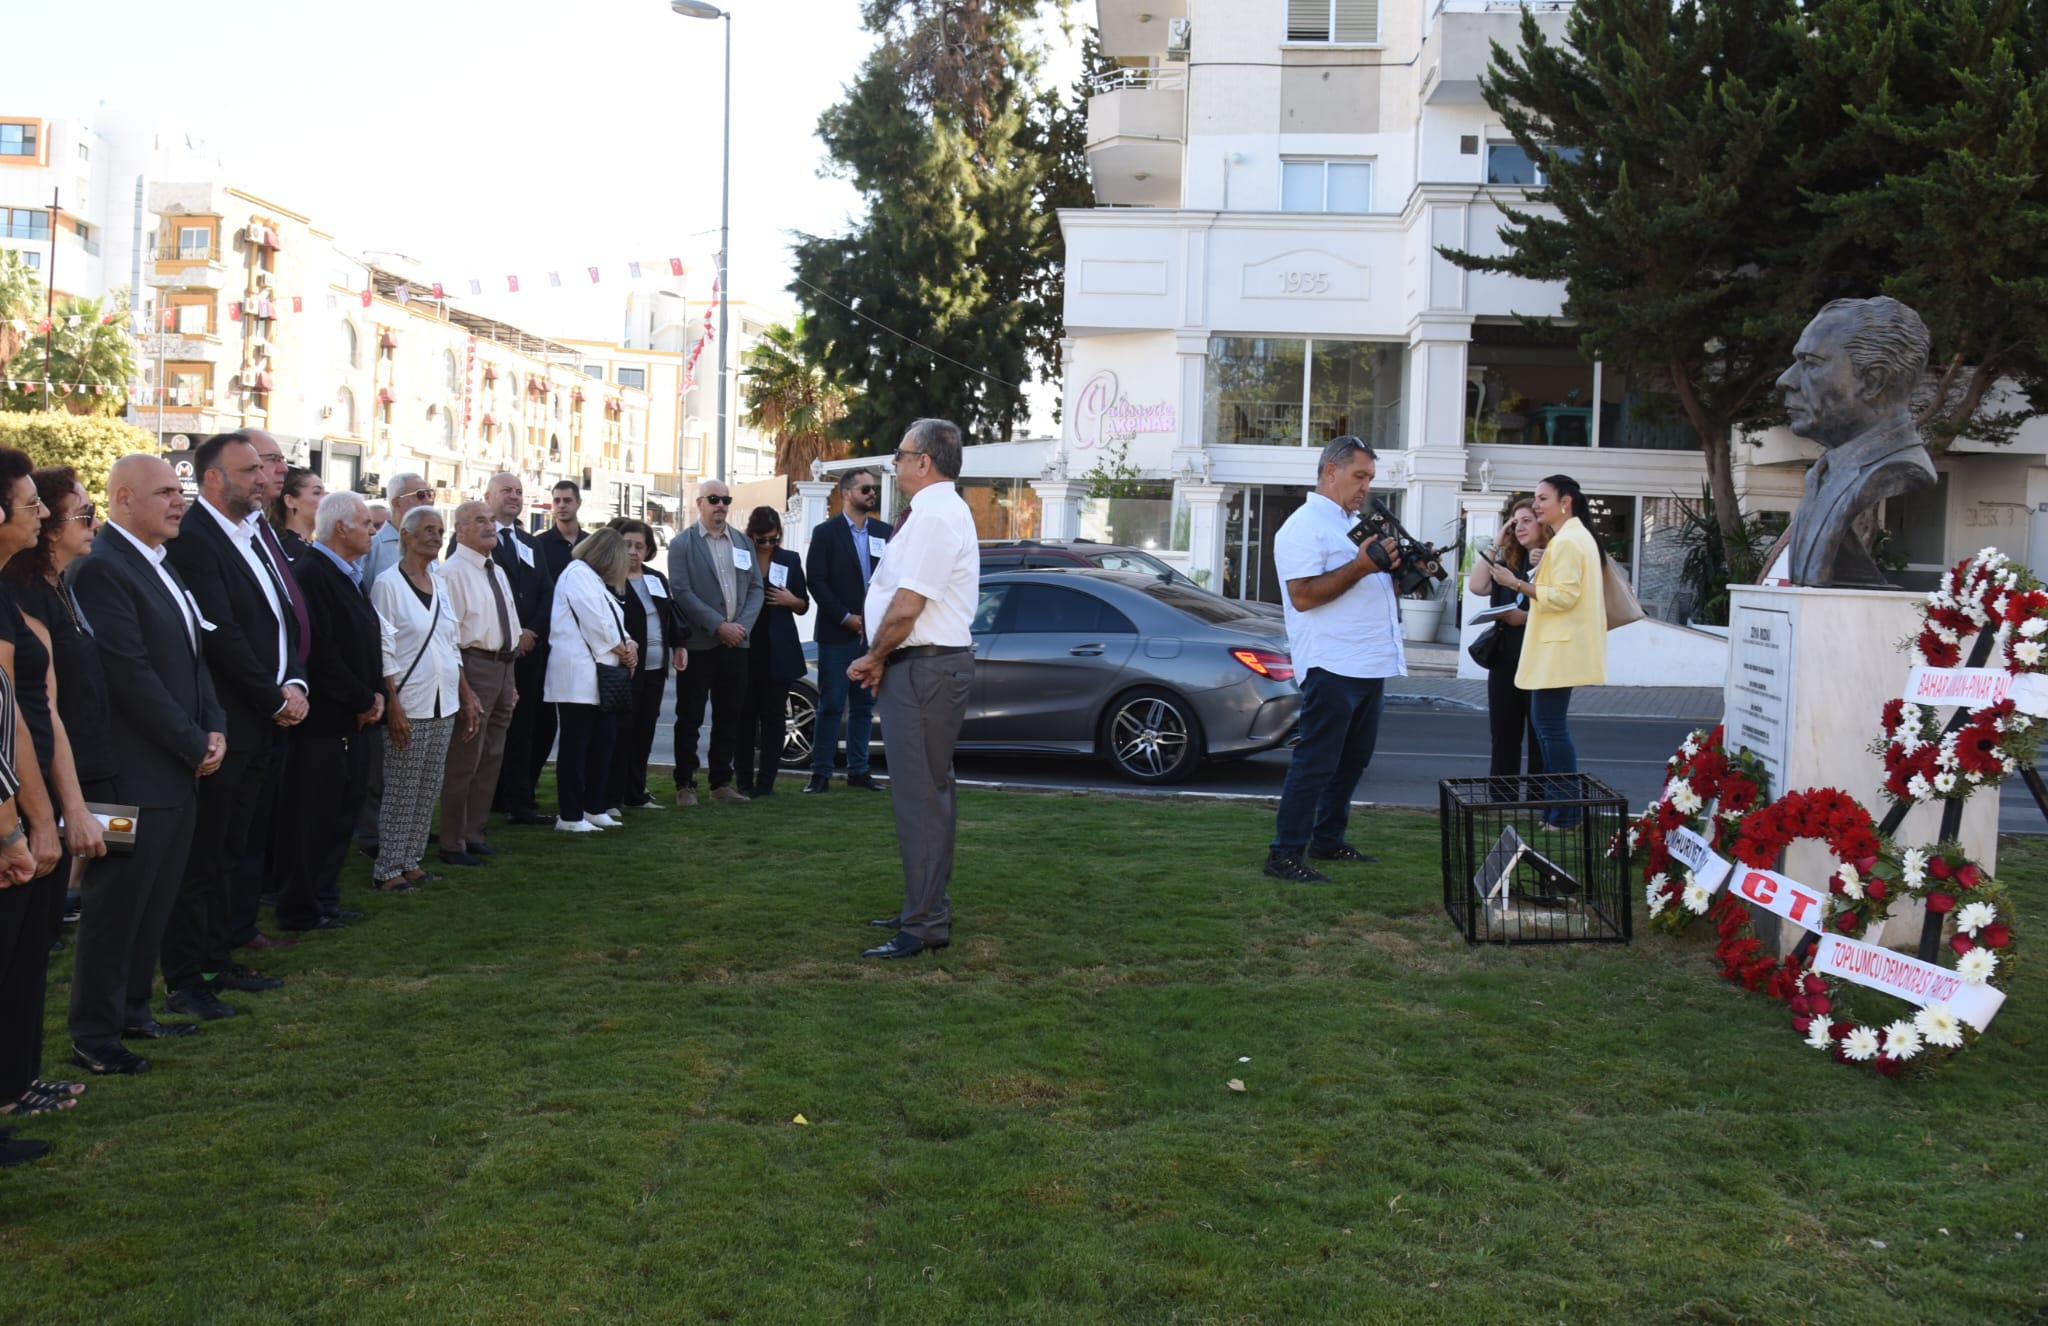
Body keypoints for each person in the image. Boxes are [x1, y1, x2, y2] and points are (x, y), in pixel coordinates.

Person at [68, 455, 226, 1076]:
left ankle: (135, 1011)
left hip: (176, 773)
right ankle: (95, 1034)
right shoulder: (102, 569)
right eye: (163, 492)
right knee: (113, 906)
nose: (177, 501)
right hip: (123, 779)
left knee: (154, 901)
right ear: (124, 500)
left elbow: (194, 658)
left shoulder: (161, 566)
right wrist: (193, 741)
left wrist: (212, 728)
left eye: (178, 491)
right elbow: (126, 673)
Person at [160, 432, 307, 1021]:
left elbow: (284, 618)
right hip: (229, 719)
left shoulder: (253, 536)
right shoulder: (197, 539)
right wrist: (272, 695)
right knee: (205, 855)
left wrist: (295, 681)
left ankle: (219, 957)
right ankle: (187, 975)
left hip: (266, 715)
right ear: (214, 479)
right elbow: (221, 634)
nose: (263, 479)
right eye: (250, 470)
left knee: (234, 848)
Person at [852, 420, 979, 960]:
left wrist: (874, 656)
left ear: (924, 460)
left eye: (900, 456)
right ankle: (922, 907)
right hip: (921, 666)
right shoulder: (934, 512)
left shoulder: (936, 515)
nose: (894, 465)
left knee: (921, 801)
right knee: (928, 796)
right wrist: (885, 657)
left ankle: (924, 922)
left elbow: (908, 605)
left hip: (924, 669)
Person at [1263, 436, 1406, 884]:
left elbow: (1371, 588)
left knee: (1353, 760)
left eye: (1370, 478)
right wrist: (1364, 566)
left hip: (1368, 661)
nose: (1365, 487)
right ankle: (1284, 855)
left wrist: (1403, 572)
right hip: (1332, 662)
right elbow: (1303, 596)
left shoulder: (1354, 524)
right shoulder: (1304, 526)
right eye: (1359, 476)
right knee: (1316, 762)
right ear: (1330, 472)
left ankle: (1327, 838)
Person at [0, 449, 86, 1120]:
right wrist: (23, 822)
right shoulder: (16, 595)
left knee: (30, 955)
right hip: (14, 806)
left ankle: (16, 1084)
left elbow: (34, 713)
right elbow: (15, 718)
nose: (39, 516)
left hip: (33, 795)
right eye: (30, 506)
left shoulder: (11, 591)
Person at [7, 469, 112, 950]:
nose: (93, 523)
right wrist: (48, 817)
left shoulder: (60, 585)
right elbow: (29, 711)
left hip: (75, 769)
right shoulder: (23, 593)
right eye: (85, 513)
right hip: (35, 789)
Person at [1771, 296, 1938, 587]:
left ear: (1873, 381)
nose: (1786, 380)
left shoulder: (1898, 469)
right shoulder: (1822, 474)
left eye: (1811, 363)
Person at [276, 492, 385, 931]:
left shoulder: (348, 574)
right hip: (324, 725)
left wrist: (375, 695)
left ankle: (324, 898)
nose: (372, 531)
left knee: (340, 817)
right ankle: (301, 908)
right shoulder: (312, 573)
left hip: (355, 720)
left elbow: (364, 642)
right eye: (365, 523)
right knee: (312, 822)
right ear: (341, 528)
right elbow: (320, 652)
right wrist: (362, 698)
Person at [1486, 473, 1608, 828]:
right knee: (1547, 729)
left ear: (1565, 501)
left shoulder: (1570, 540)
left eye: (1542, 499)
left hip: (1558, 651)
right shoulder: (1570, 538)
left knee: (1551, 731)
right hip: (1557, 650)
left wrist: (1517, 583)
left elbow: (1565, 596)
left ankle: (1565, 813)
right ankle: (1557, 811)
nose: (1536, 505)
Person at [371, 506, 465, 890]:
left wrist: (466, 692)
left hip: (444, 700)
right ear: (405, 536)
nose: (435, 536)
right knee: (401, 787)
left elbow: (451, 642)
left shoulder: (440, 583)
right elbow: (384, 647)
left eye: (440, 530)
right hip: (409, 700)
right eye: (427, 529)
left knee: (428, 785)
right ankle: (387, 869)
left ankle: (411, 861)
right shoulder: (387, 584)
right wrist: (392, 700)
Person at [354, 472, 435, 862]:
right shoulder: (376, 551)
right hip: (393, 680)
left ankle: (409, 856)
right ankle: (380, 847)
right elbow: (377, 625)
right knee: (387, 774)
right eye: (421, 494)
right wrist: (388, 693)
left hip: (432, 688)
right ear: (398, 503)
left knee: (421, 781)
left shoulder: (434, 567)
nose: (428, 497)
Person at [666, 480, 763, 805]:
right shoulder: (682, 544)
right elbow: (681, 592)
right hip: (699, 643)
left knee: (729, 715)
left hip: (737, 644)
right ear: (700, 503)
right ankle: (685, 784)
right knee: (690, 716)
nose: (720, 504)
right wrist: (718, 625)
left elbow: (756, 589)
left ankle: (721, 782)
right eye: (714, 499)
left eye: (725, 499)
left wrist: (740, 628)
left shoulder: (742, 543)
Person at [439, 501, 521, 868]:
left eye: (491, 520)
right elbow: (449, 638)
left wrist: (511, 680)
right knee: (464, 759)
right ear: (460, 529)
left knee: (491, 758)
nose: (490, 526)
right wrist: (464, 690)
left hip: (503, 668)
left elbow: (509, 630)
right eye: (479, 521)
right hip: (473, 667)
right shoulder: (452, 573)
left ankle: (475, 834)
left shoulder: (497, 570)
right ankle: (452, 842)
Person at [803, 469, 891, 794]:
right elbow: (817, 581)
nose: (872, 493)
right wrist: (845, 617)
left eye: (873, 488)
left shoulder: (885, 531)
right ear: (846, 493)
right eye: (865, 488)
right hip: (837, 633)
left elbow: (892, 578)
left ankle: (859, 770)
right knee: (830, 704)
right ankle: (820, 773)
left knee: (864, 707)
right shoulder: (825, 533)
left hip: (873, 636)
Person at [545, 527, 635, 832]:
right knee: (577, 747)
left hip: (598, 676)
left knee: (602, 743)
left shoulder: (591, 579)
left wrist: (628, 644)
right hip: (578, 677)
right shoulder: (577, 574)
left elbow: (612, 621)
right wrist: (624, 650)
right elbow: (596, 623)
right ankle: (570, 815)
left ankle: (593, 807)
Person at [481, 473, 555, 828]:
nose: (514, 496)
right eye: (506, 490)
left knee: (527, 728)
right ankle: (493, 797)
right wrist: (513, 632)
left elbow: (545, 590)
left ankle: (519, 798)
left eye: (519, 492)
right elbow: (478, 594)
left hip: (530, 651)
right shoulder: (473, 536)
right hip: (495, 651)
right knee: (494, 731)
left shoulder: (530, 541)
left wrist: (533, 630)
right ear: (488, 495)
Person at [1465, 497, 1548, 785]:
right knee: (1503, 733)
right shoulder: (1505, 562)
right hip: (1504, 659)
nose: (1520, 527)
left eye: (1527, 520)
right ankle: (1502, 799)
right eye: (1515, 522)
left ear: (1541, 523)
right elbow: (1476, 585)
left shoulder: (1549, 559)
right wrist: (1496, 542)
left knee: (1540, 735)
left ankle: (1539, 800)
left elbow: (1561, 605)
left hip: (1539, 656)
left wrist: (1523, 618)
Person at [606, 518, 683, 811]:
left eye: (640, 546)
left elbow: (668, 616)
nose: (634, 551)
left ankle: (636, 792)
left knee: (644, 732)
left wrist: (680, 645)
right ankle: (611, 797)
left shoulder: (655, 579)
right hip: (625, 668)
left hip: (655, 669)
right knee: (621, 733)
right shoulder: (610, 581)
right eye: (627, 545)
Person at [736, 507, 809, 797]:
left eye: (773, 539)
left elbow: (804, 605)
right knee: (744, 716)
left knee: (774, 718)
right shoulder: (741, 558)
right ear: (751, 535)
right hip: (745, 647)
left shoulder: (789, 559)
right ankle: (742, 780)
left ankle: (766, 783)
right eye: (762, 539)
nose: (767, 544)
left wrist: (791, 600)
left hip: (778, 650)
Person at [360, 472, 431, 590]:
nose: (427, 501)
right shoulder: (372, 548)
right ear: (397, 502)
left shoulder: (430, 546)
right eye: (420, 495)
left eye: (429, 494)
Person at [267, 466, 325, 563]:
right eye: (317, 492)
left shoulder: (317, 547)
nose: (325, 500)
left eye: (325, 494)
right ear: (290, 501)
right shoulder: (282, 548)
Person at [534, 479, 585, 581]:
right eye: (557, 501)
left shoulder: (591, 543)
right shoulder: (538, 543)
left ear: (578, 503)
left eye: (567, 500)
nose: (561, 505)